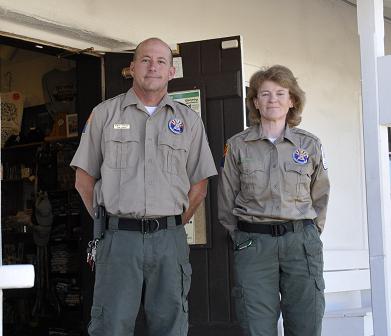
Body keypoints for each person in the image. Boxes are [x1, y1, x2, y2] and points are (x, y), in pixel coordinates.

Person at [71, 37, 217, 336]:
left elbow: (199, 185)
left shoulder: (188, 121)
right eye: (146, 60)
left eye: (161, 61)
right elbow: (83, 181)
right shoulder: (104, 115)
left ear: (171, 72)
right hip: (118, 240)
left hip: (169, 241)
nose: (153, 66)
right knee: (111, 325)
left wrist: (172, 224)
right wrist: (107, 222)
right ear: (132, 67)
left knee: (171, 325)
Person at [218, 65, 330, 336]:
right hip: (254, 245)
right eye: (265, 94)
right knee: (256, 326)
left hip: (300, 244)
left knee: (306, 324)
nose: (273, 100)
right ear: (255, 101)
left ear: (292, 100)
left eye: (281, 93)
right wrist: (243, 240)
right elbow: (226, 199)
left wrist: (309, 234)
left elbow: (321, 196)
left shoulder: (310, 145)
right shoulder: (237, 145)